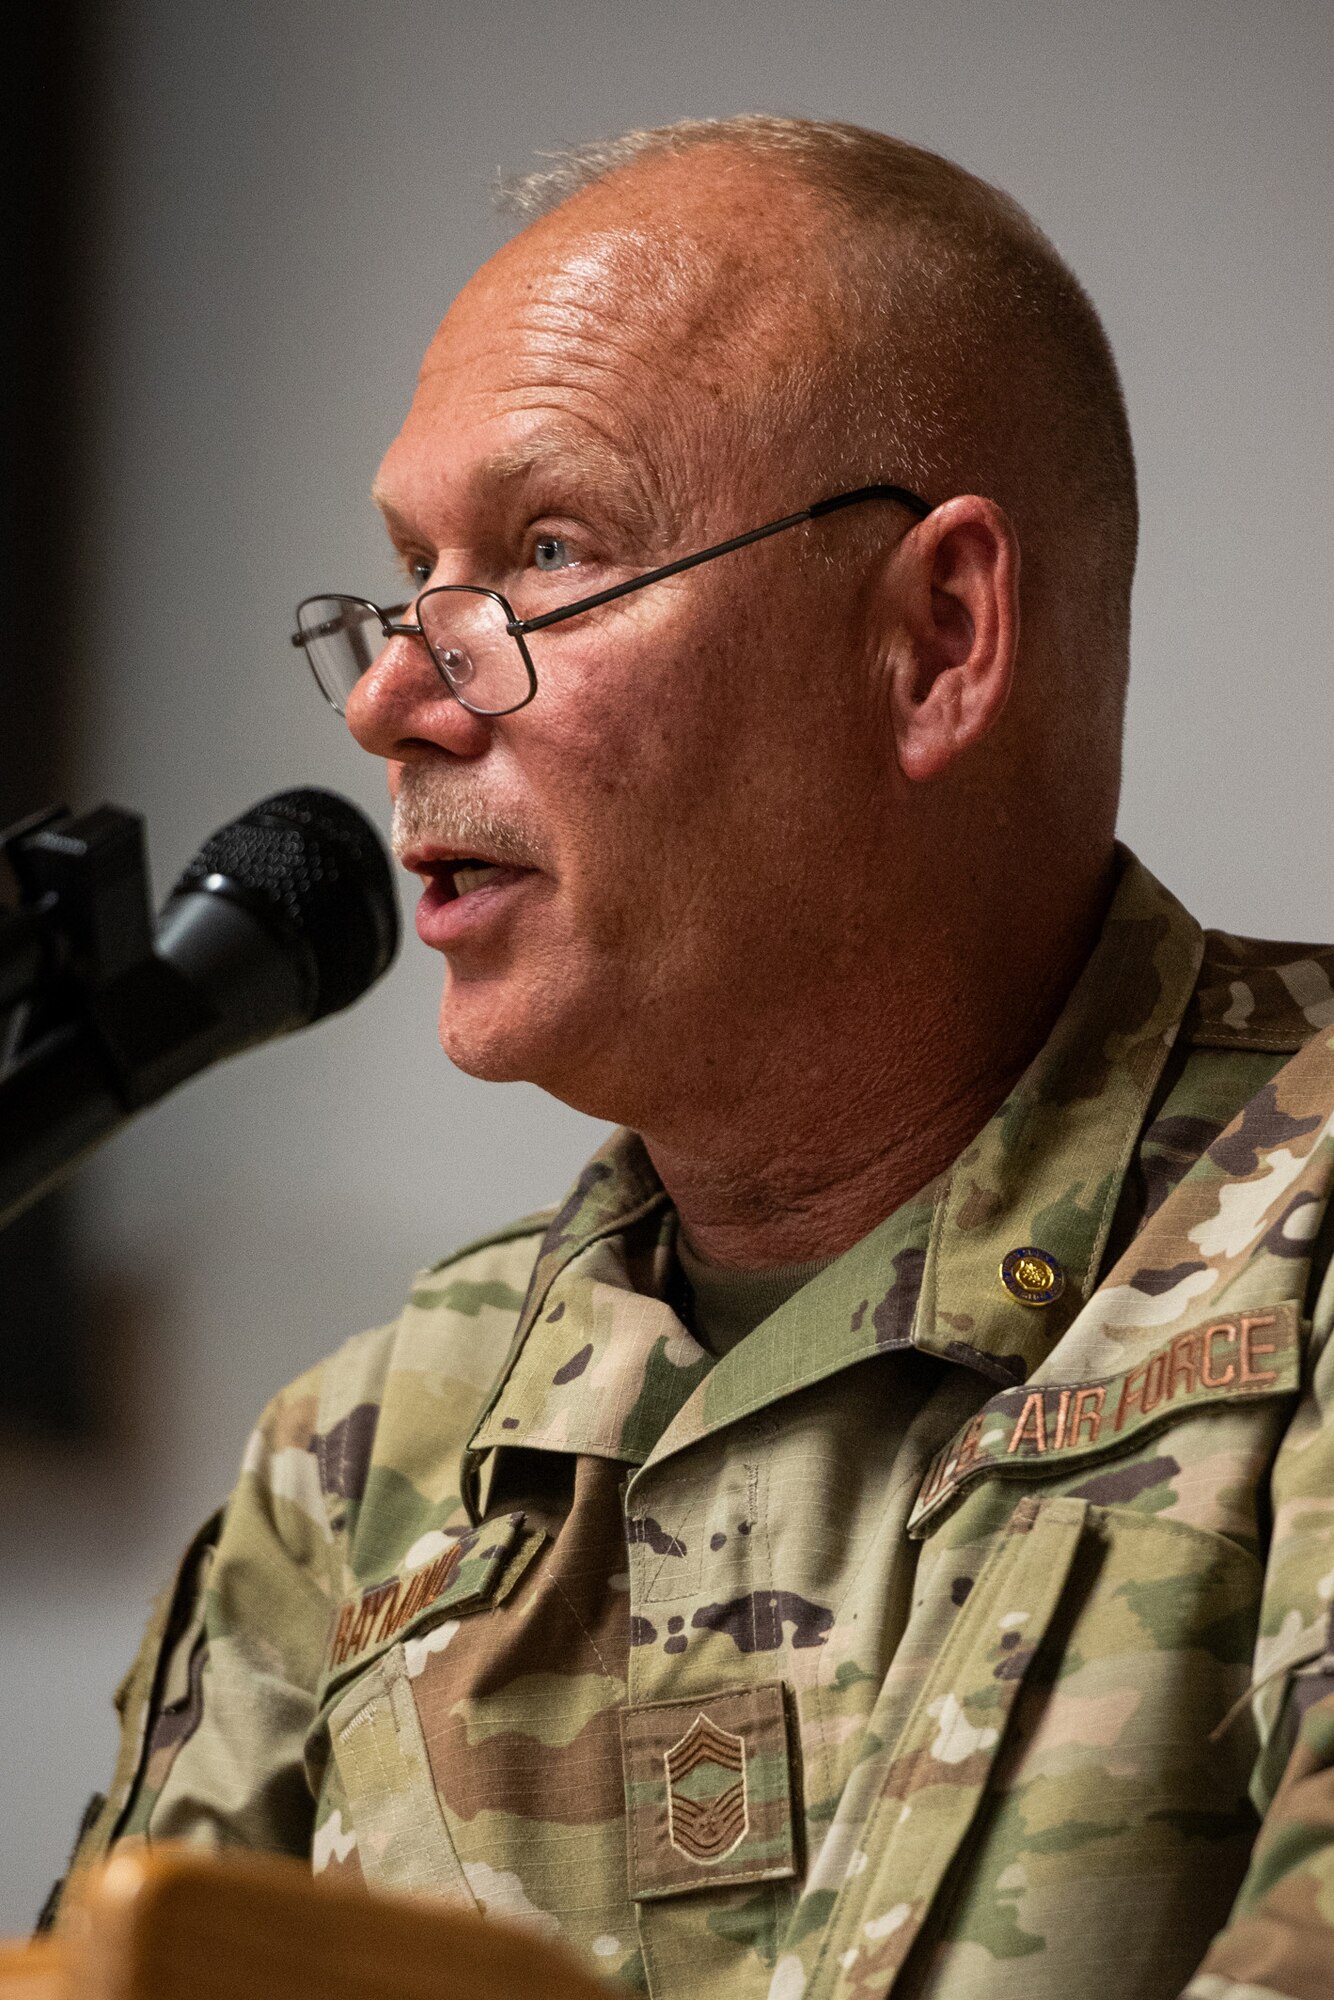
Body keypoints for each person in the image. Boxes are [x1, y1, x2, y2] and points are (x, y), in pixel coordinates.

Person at [55, 116, 1334, 2000]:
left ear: (936, 637)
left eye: (546, 552)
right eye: (406, 574)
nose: (394, 697)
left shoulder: (1299, 1271)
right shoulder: (371, 1452)